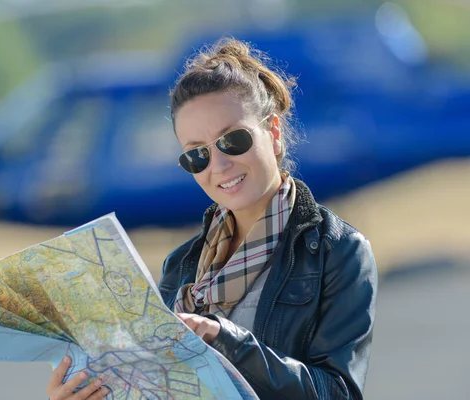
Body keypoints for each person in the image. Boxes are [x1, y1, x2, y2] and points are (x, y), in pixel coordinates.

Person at [47, 37, 378, 400]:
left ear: (273, 132)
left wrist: (224, 339)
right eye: (197, 156)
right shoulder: (181, 266)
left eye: (233, 140)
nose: (219, 166)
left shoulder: (337, 251)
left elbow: (337, 393)